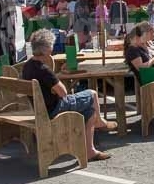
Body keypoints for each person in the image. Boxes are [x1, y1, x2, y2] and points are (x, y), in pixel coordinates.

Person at [21, 29, 113, 161]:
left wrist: (53, 83)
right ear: (47, 48)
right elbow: (63, 92)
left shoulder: (28, 66)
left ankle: (90, 150)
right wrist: (55, 82)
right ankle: (100, 122)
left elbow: (50, 86)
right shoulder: (43, 70)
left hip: (40, 109)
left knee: (90, 111)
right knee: (92, 94)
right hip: (54, 109)